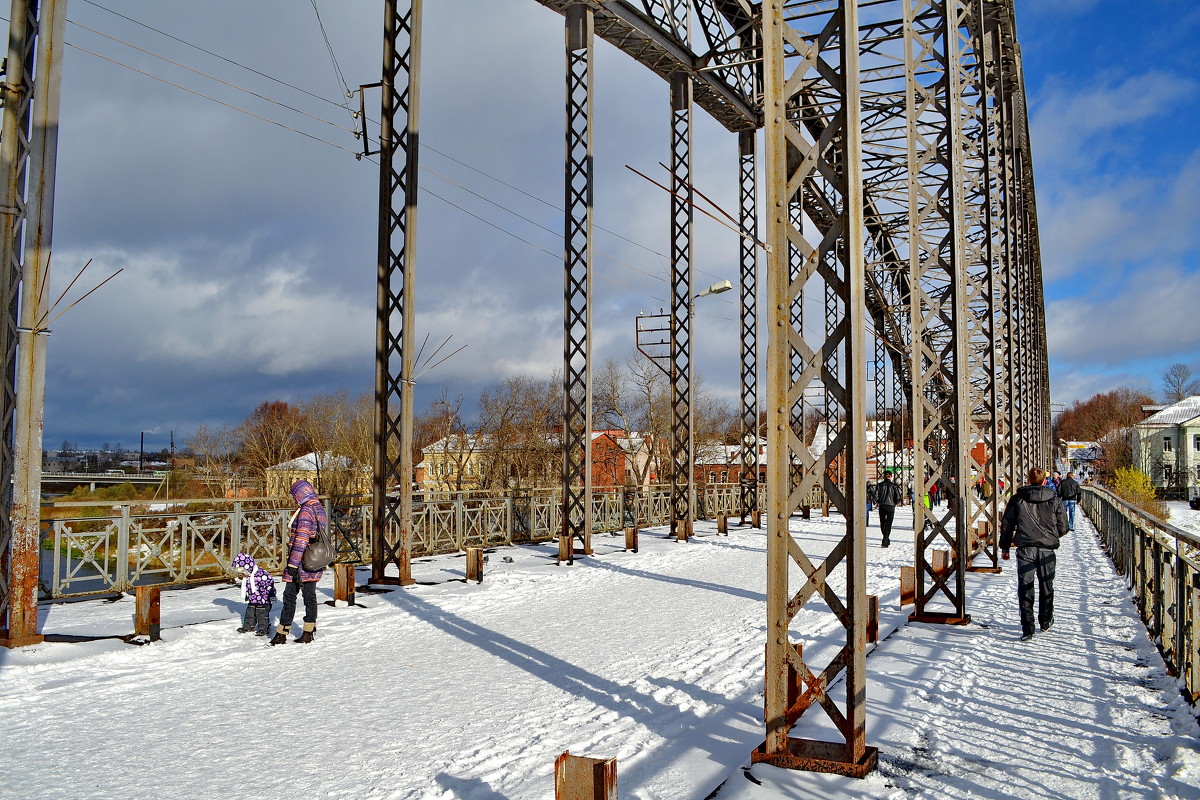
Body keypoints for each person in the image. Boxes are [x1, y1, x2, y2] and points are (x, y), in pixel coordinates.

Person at [1000, 468, 1068, 641]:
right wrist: (1050, 536)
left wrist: (1005, 547)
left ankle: (1027, 628)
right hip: (1046, 549)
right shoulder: (1054, 499)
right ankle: (1045, 621)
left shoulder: (1017, 499)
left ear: (1028, 480)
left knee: (1025, 587)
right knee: (1047, 585)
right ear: (1045, 481)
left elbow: (1007, 524)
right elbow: (1063, 527)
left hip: (1025, 549)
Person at [270, 479, 328, 645]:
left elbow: (301, 539)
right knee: (310, 595)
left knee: (289, 596)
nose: (294, 498)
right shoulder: (319, 508)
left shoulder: (305, 511)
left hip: (301, 562)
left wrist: (293, 564)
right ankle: (309, 631)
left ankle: (281, 634)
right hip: (314, 560)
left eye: (295, 495)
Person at [233, 551, 276, 636]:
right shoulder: (248, 576)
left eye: (243, 572)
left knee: (262, 614)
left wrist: (272, 595)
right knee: (250, 612)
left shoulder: (261, 575)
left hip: (264, 600)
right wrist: (247, 595)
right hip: (253, 599)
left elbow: (270, 585)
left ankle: (263, 628)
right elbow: (248, 587)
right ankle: (248, 626)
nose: (242, 574)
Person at [875, 470, 903, 547]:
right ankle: (885, 539)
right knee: (889, 523)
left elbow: (875, 496)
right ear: (891, 476)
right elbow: (898, 497)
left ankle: (885, 538)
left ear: (884, 476)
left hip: (882, 506)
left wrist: (878, 501)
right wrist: (894, 503)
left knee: (882, 523)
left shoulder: (879, 485)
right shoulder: (894, 486)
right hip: (890, 506)